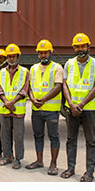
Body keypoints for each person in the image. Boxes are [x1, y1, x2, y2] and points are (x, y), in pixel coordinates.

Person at [62, 32, 95, 181]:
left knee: (90, 141)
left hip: (89, 109)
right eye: (77, 46)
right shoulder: (69, 63)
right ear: (73, 48)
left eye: (82, 46)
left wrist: (81, 104)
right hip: (72, 108)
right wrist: (71, 104)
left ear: (88, 46)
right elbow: (64, 85)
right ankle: (70, 168)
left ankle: (89, 172)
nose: (80, 49)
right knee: (71, 139)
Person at [26, 39, 64, 175]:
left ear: (51, 52)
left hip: (51, 110)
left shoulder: (57, 68)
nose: (43, 55)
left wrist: (43, 99)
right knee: (38, 135)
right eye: (41, 53)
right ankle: (39, 160)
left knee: (53, 136)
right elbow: (29, 86)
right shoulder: (34, 68)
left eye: (45, 52)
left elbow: (58, 86)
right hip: (37, 109)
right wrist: (32, 99)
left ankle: (53, 164)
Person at [0, 43, 29, 169]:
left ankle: (18, 159)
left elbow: (24, 90)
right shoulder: (2, 71)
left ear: (18, 56)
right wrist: (6, 102)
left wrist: (12, 103)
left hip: (17, 109)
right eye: (9, 56)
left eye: (13, 56)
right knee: (4, 134)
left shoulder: (24, 71)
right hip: (5, 109)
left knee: (18, 136)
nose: (11, 58)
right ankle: (7, 156)